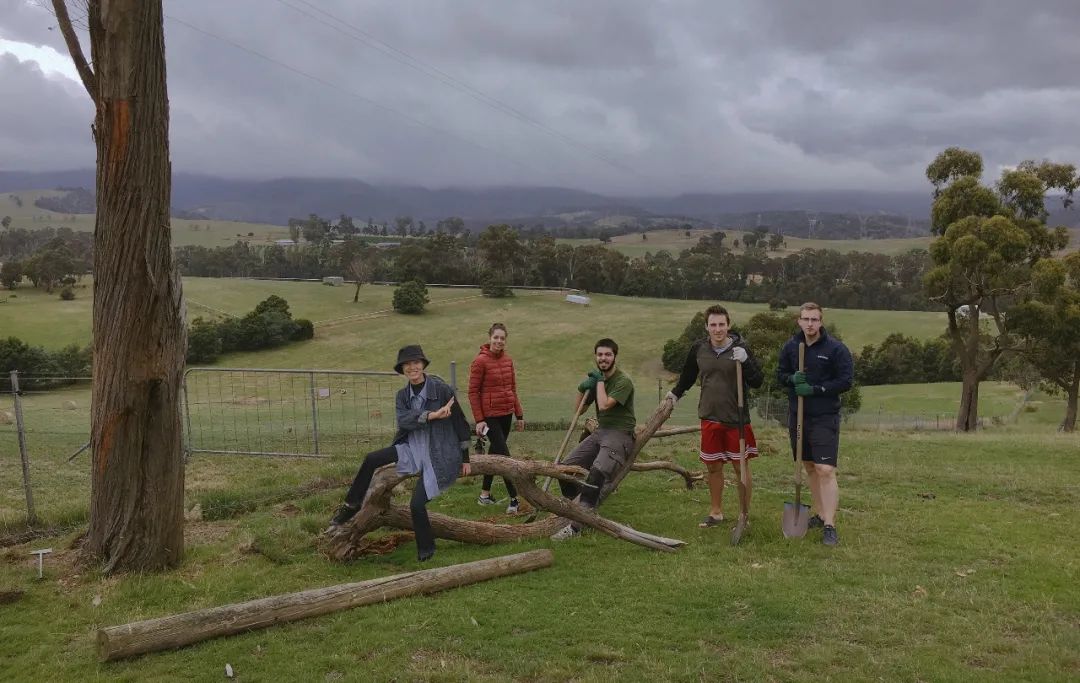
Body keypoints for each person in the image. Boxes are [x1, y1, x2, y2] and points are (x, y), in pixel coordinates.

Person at [328, 345, 472, 562]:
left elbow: (459, 421)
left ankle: (427, 547)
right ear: (402, 369)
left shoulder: (442, 390)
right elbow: (404, 420)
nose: (412, 367)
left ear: (423, 365)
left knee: (416, 504)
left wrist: (466, 457)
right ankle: (352, 505)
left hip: (439, 453)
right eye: (407, 364)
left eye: (416, 362)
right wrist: (431, 415)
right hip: (412, 448)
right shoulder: (402, 396)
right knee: (371, 459)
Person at [666, 304, 763, 529]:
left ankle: (743, 515)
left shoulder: (741, 348)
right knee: (713, 467)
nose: (718, 329)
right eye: (713, 325)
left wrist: (746, 361)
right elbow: (688, 376)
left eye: (721, 324)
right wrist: (674, 395)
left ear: (728, 325)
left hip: (736, 419)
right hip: (710, 417)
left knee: (741, 468)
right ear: (706, 327)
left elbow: (758, 381)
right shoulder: (699, 349)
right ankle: (716, 512)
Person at [776, 302, 853, 546]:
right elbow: (780, 375)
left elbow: (845, 381)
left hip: (824, 416)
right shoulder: (791, 347)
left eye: (814, 319)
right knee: (809, 466)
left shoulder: (836, 349)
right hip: (798, 415)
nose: (810, 324)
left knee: (825, 469)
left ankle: (830, 524)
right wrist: (791, 379)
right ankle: (819, 514)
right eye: (806, 319)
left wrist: (816, 389)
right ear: (799, 321)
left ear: (821, 322)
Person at [551, 338, 636, 539]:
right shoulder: (598, 380)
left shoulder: (623, 381)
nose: (603, 358)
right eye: (600, 355)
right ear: (595, 356)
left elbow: (605, 405)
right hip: (601, 432)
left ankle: (575, 528)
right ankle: (581, 511)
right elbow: (578, 411)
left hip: (620, 434)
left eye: (607, 354)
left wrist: (598, 381)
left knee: (597, 473)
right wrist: (582, 388)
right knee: (565, 470)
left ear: (615, 356)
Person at [468, 323, 525, 514]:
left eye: (502, 338)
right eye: (496, 337)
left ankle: (484, 495)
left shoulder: (508, 361)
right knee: (505, 457)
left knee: (495, 454)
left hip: (506, 413)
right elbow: (473, 392)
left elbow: (513, 389)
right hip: (489, 417)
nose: (499, 341)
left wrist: (519, 414)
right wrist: (479, 420)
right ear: (490, 338)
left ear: (505, 340)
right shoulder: (480, 362)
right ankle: (515, 499)